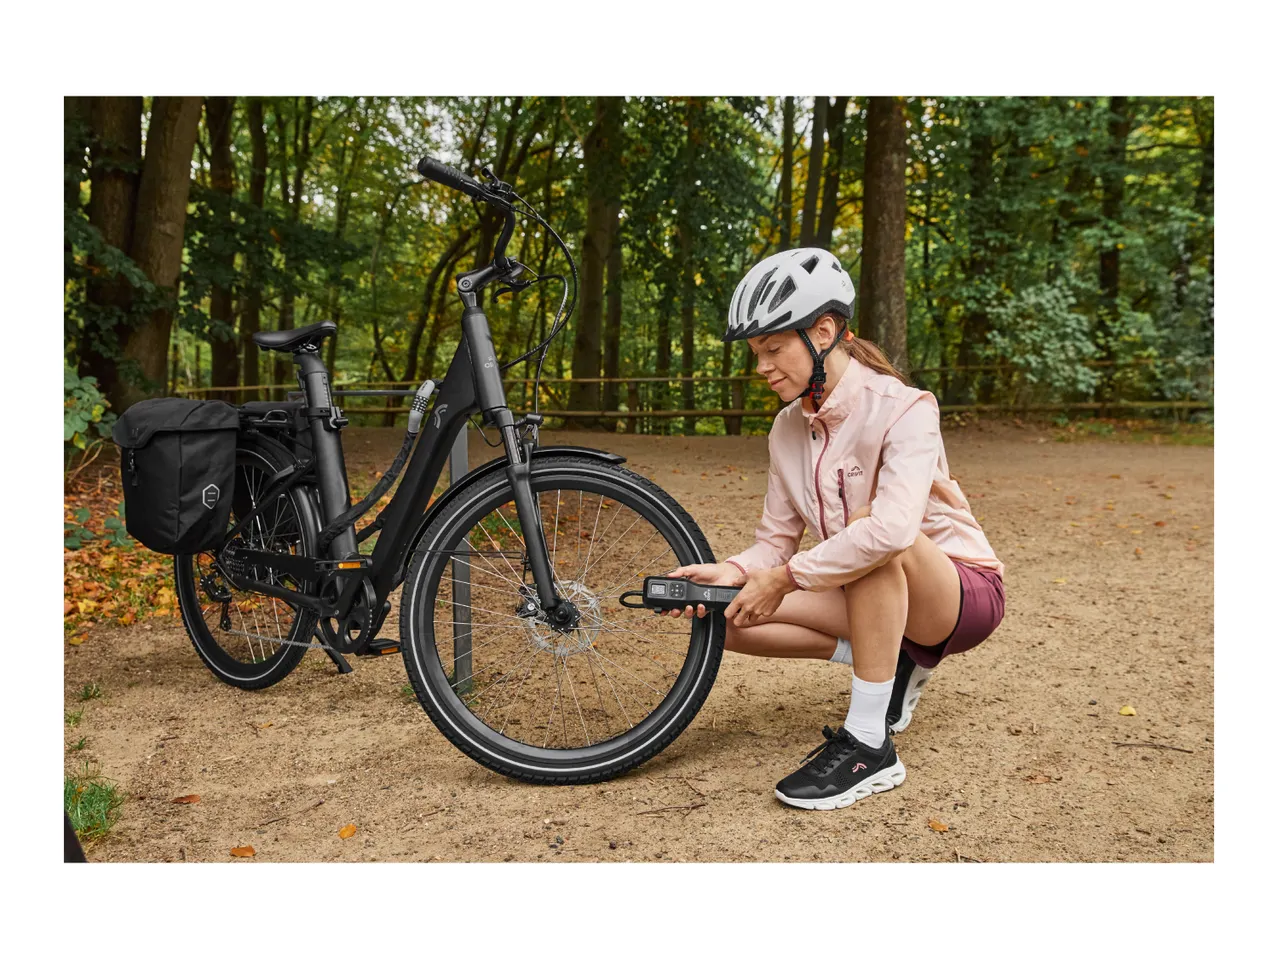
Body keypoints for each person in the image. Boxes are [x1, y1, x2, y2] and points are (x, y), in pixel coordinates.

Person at [662, 248, 1005, 811]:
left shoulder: (906, 408)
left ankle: (871, 745)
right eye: (755, 353)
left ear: (823, 331)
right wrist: (733, 571)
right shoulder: (785, 429)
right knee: (728, 615)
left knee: (872, 530)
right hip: (871, 587)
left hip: (960, 595)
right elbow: (775, 541)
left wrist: (787, 578)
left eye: (773, 349)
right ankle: (889, 656)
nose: (762, 367)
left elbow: (892, 533)